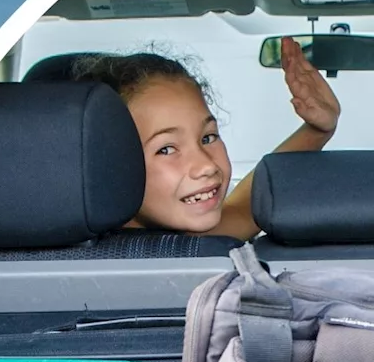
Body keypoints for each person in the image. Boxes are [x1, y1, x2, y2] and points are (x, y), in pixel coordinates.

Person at [71, 37, 340, 241]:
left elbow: (246, 209)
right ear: (107, 167)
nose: (207, 166)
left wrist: (317, 130)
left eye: (208, 137)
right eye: (166, 149)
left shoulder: (195, 240)